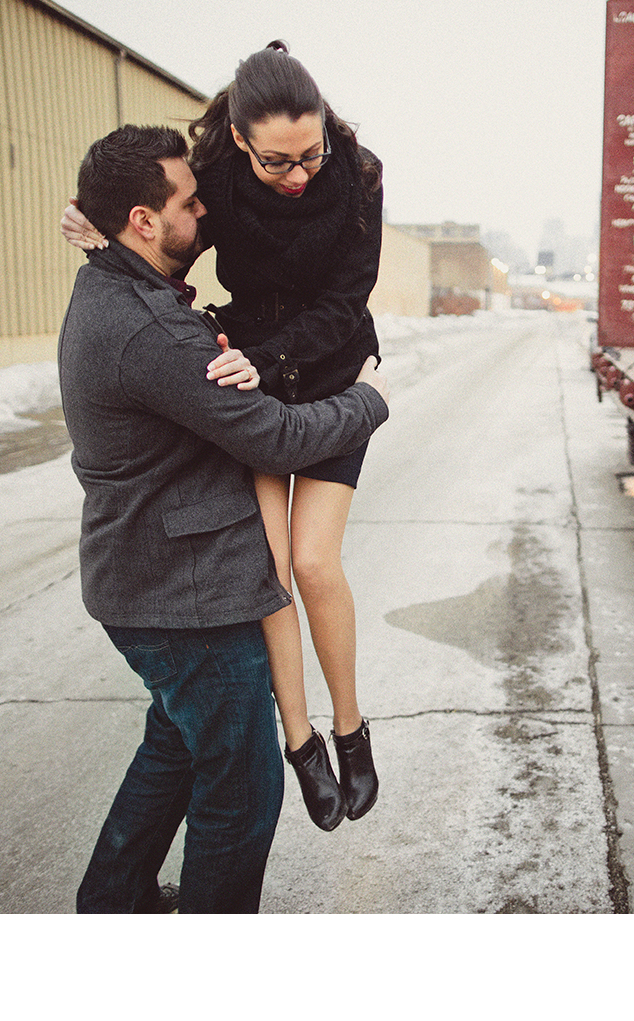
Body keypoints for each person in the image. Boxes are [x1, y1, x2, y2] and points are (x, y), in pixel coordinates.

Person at [59, 123, 389, 913]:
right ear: (144, 221)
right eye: (190, 201)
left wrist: (90, 225)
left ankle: (114, 900)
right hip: (185, 599)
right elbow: (275, 433)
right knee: (240, 792)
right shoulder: (151, 328)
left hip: (141, 580)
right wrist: (370, 399)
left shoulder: (116, 284)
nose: (208, 212)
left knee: (173, 745)